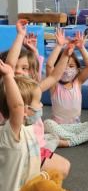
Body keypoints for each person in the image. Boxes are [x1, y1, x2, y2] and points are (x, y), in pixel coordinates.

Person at [0, 60, 88, 191]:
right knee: (43, 187)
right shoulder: (10, 133)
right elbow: (16, 106)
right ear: (24, 110)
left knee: (54, 174)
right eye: (37, 103)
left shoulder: (28, 126)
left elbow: (50, 79)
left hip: (32, 180)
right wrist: (9, 76)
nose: (40, 106)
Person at [4, 19, 71, 178]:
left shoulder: (35, 88)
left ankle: (33, 174)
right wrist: (20, 35)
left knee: (65, 165)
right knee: (60, 169)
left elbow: (54, 76)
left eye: (24, 68)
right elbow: (10, 66)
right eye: (17, 68)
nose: (19, 72)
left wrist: (65, 53)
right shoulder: (6, 88)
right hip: (18, 150)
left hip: (36, 146)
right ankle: (29, 177)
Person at [43, 30, 88, 147]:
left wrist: (81, 48)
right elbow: (49, 65)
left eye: (71, 66)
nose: (66, 70)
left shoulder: (78, 82)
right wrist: (59, 46)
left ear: (77, 69)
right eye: (63, 66)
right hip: (59, 127)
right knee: (47, 123)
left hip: (77, 127)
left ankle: (68, 141)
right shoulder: (54, 84)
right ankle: (76, 140)